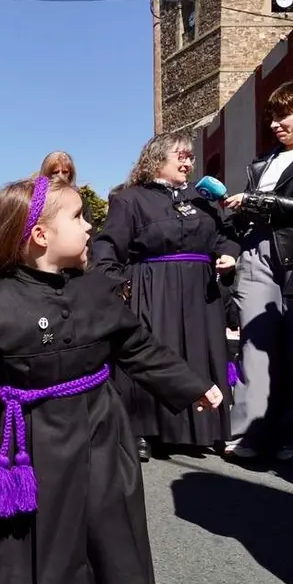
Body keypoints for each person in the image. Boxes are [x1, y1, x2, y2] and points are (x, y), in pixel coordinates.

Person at [0, 175, 222, 584]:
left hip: (99, 426)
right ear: (41, 236)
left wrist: (189, 383)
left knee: (105, 514)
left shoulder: (98, 292)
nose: (90, 227)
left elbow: (138, 348)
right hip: (30, 434)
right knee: (44, 522)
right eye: (77, 217)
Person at [92, 131, 236, 460]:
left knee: (202, 355)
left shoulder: (202, 200)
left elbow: (224, 235)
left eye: (190, 156)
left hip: (201, 293)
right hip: (154, 290)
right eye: (181, 156)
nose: (189, 162)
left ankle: (205, 428)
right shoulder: (131, 199)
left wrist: (228, 253)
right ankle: (142, 430)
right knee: (153, 355)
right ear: (157, 159)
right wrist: (117, 283)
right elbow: (108, 246)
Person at [220, 79, 293, 460]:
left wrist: (260, 201)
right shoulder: (260, 163)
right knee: (254, 345)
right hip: (257, 252)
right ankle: (251, 432)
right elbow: (242, 221)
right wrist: (232, 250)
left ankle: (287, 435)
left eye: (284, 116)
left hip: (290, 254)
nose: (275, 125)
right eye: (273, 118)